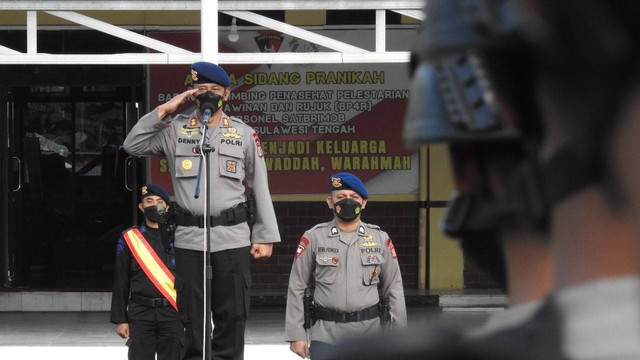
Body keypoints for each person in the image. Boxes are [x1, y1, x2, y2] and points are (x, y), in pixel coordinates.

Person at [123, 61, 281, 360]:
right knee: (190, 320)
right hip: (189, 240)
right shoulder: (175, 130)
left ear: (227, 94)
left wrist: (264, 235)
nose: (209, 95)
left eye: (215, 90)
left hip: (232, 238)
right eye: (202, 89)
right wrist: (166, 110)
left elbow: (259, 184)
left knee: (232, 317)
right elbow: (133, 144)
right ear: (191, 94)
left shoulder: (243, 134)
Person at [284, 172, 407, 360]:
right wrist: (296, 334)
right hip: (326, 335)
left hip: (370, 335)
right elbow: (297, 286)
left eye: (354, 197)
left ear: (364, 202)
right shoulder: (313, 237)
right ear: (330, 202)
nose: (347, 202)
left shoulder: (380, 239)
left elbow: (394, 287)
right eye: (340, 197)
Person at [110, 183, 183, 360]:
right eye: (148, 201)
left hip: (172, 313)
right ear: (141, 207)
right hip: (140, 312)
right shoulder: (130, 238)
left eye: (159, 201)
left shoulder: (180, 237)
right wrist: (121, 319)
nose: (154, 205)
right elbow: (121, 280)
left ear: (166, 207)